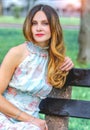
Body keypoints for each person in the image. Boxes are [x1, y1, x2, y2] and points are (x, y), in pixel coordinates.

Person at [0, 4, 74, 130]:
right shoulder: (17, 53)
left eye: (45, 23)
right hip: (5, 116)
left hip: (29, 123)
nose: (38, 28)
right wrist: (31, 120)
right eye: (34, 23)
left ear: (54, 27)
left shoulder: (54, 60)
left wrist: (66, 62)